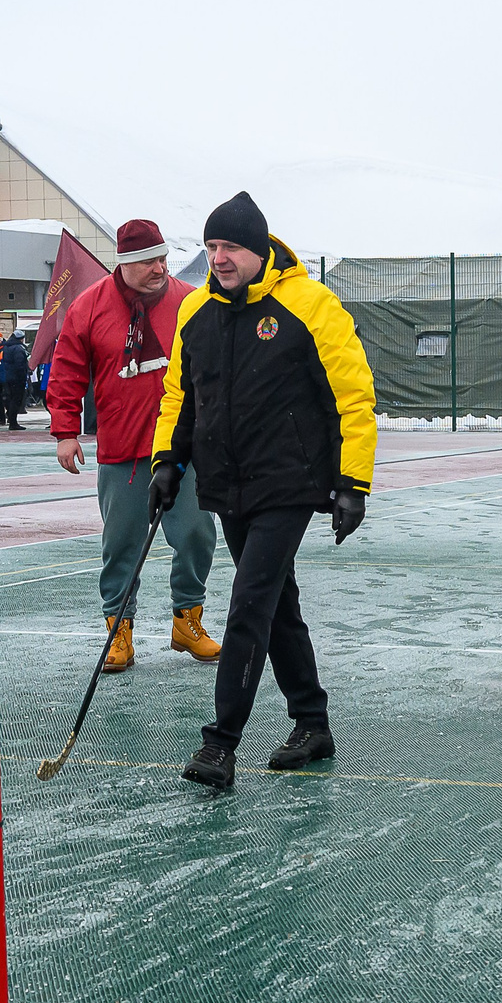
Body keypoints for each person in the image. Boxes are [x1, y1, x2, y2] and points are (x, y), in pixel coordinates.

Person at [151, 192, 374, 789]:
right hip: (228, 483)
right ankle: (312, 721)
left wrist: (352, 483)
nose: (219, 258)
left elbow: (353, 396)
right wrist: (166, 460)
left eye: (230, 247)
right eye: (212, 247)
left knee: (249, 603)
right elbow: (180, 394)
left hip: (290, 482)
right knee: (277, 605)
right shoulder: (195, 310)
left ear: (258, 249)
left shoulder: (310, 304)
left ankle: (221, 744)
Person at [48, 218, 222, 673]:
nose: (160, 268)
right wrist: (66, 431)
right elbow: (66, 370)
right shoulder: (88, 308)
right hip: (121, 450)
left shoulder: (190, 301)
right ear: (124, 264)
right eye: (148, 262)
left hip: (183, 448)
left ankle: (188, 619)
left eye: (163, 259)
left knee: (197, 534)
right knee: (121, 543)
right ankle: (118, 631)